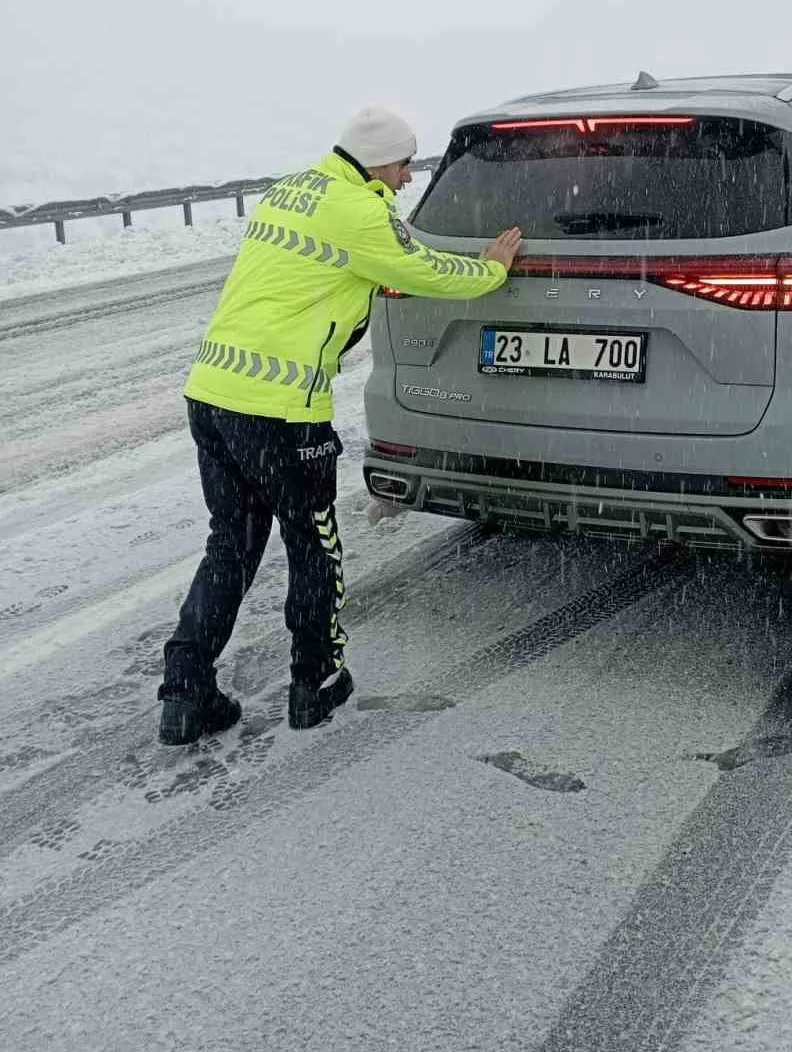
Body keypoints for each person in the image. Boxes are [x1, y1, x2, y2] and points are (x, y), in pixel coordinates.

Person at [158, 105, 522, 744]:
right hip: (280, 410)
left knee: (231, 544)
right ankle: (315, 681)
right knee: (313, 541)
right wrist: (492, 268)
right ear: (379, 157)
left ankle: (186, 694)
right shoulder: (361, 210)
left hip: (212, 392)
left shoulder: (293, 188)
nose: (409, 177)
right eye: (406, 162)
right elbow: (425, 269)